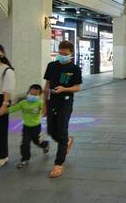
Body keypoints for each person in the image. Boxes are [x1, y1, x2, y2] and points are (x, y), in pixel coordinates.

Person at [43, 40, 82, 178]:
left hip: (65, 102)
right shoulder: (51, 66)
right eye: (60, 53)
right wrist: (44, 105)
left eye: (65, 54)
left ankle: (58, 164)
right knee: (51, 131)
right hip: (51, 102)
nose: (62, 55)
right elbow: (46, 85)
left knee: (62, 130)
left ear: (71, 53)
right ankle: (67, 142)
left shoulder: (75, 69)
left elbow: (77, 87)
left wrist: (64, 89)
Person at [1, 84, 50, 169]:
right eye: (31, 94)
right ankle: (25, 159)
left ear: (39, 95)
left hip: (36, 127)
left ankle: (45, 145)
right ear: (28, 93)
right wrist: (3, 110)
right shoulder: (23, 103)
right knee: (25, 144)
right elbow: (13, 109)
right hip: (26, 128)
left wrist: (46, 111)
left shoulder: (39, 103)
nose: (33, 96)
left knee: (37, 142)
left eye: (35, 95)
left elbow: (45, 111)